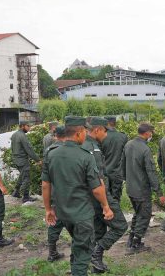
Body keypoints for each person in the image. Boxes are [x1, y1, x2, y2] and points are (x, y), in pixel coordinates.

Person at [41, 116, 114, 276]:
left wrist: (48, 209)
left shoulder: (52, 154)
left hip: (63, 213)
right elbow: (96, 188)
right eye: (85, 132)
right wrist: (106, 207)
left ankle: (76, 269)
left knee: (78, 244)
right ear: (79, 133)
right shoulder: (85, 156)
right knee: (83, 253)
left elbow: (46, 184)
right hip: (81, 214)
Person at [82, 117, 128, 273]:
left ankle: (95, 264)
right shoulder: (93, 149)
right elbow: (97, 181)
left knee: (99, 230)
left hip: (86, 197)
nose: (106, 135)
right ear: (97, 130)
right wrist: (106, 205)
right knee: (120, 225)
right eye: (105, 131)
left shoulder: (82, 144)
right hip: (99, 196)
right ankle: (97, 253)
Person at [122, 123, 165, 255]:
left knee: (138, 213)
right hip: (141, 189)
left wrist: (127, 179)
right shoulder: (145, 149)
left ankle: (131, 239)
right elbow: (151, 172)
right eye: (151, 132)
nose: (151, 135)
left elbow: (122, 165)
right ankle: (135, 244)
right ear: (147, 133)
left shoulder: (128, 144)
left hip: (130, 188)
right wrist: (159, 192)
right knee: (145, 215)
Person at [45, 125, 66, 262]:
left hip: (54, 193)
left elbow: (45, 181)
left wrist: (47, 207)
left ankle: (52, 252)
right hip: (69, 193)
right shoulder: (69, 150)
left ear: (55, 135)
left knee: (54, 222)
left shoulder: (49, 151)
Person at [11, 121, 41, 203]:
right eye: (28, 126)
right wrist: (37, 160)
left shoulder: (14, 135)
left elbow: (12, 148)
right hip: (22, 160)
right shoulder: (22, 136)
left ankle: (16, 192)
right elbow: (29, 149)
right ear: (22, 126)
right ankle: (26, 197)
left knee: (22, 176)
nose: (29, 128)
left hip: (16, 159)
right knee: (26, 178)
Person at [101, 116, 128, 201]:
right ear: (115, 123)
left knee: (104, 198)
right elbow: (125, 155)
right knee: (116, 199)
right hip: (117, 172)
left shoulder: (101, 136)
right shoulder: (123, 137)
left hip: (103, 172)